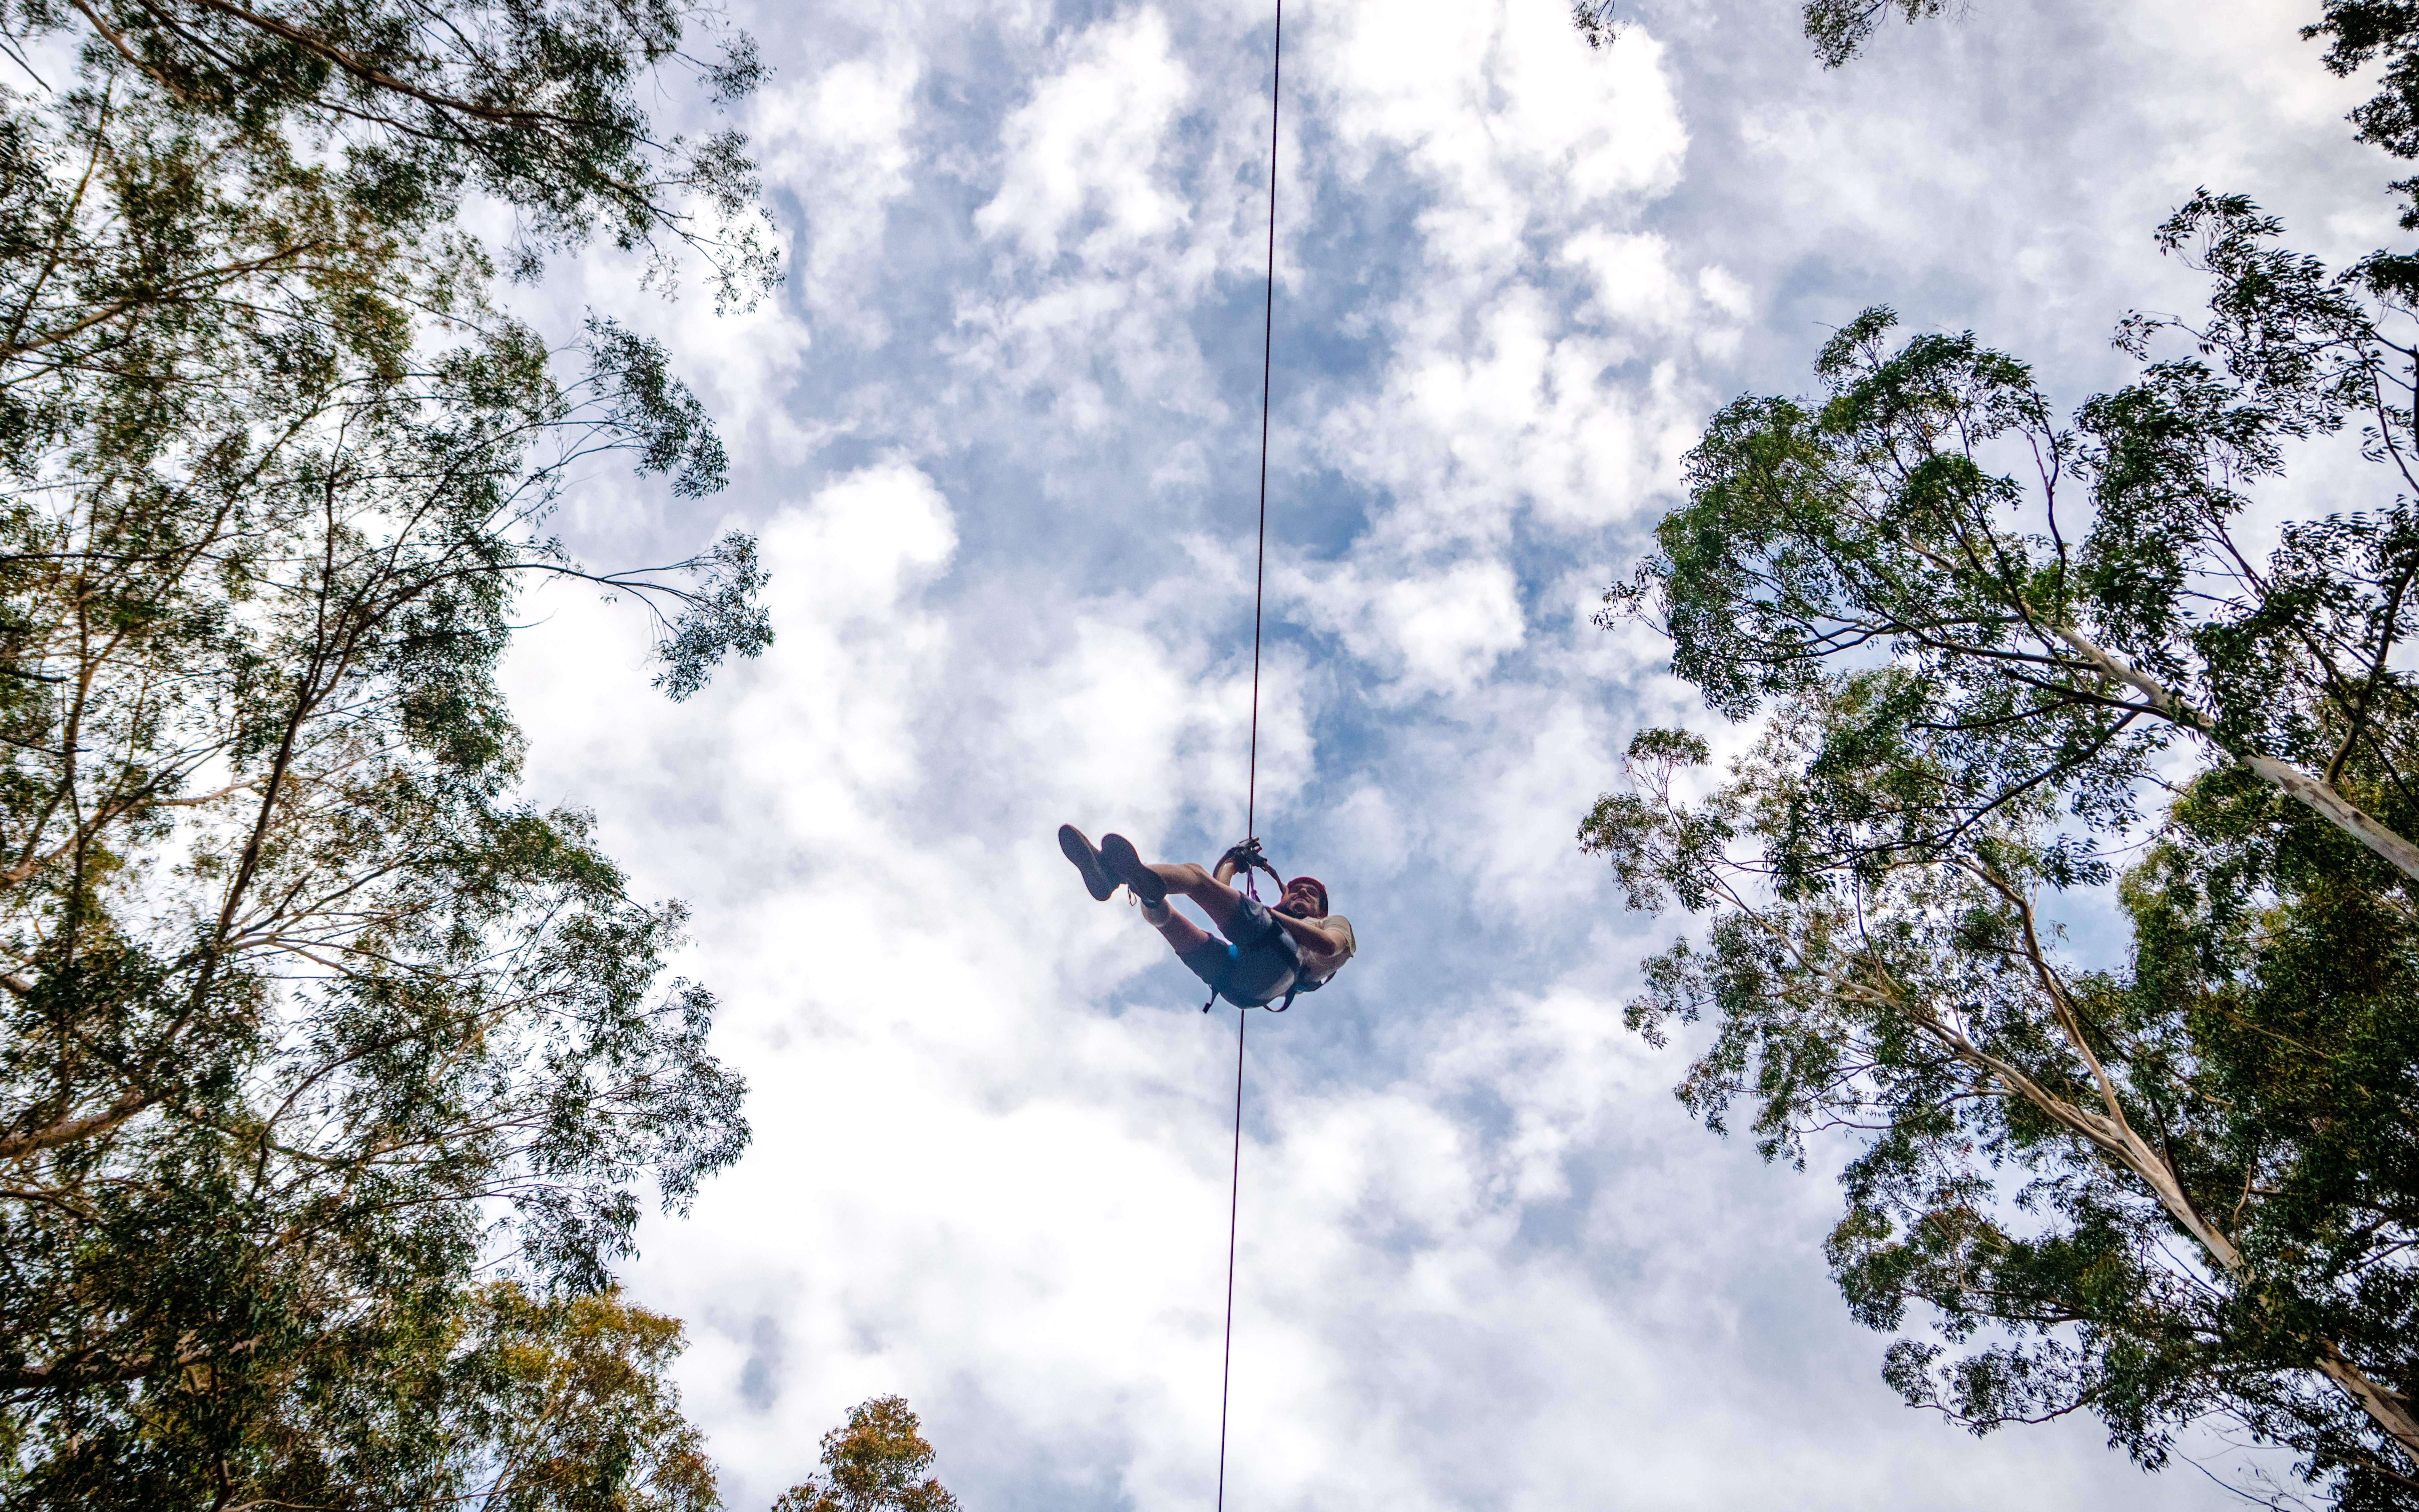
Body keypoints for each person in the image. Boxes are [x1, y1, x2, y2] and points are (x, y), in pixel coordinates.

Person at [1059, 826, 1355, 1010]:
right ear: (1284, 897)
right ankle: (1142, 889)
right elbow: (1217, 893)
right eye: (1297, 890)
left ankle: (1113, 876)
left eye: (1312, 893)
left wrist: (1265, 912)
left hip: (1281, 967)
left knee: (1196, 877)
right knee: (1163, 915)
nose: (1302, 892)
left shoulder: (1329, 923)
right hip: (1235, 983)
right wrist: (1231, 864)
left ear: (1321, 910)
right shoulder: (1271, 918)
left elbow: (1330, 946)